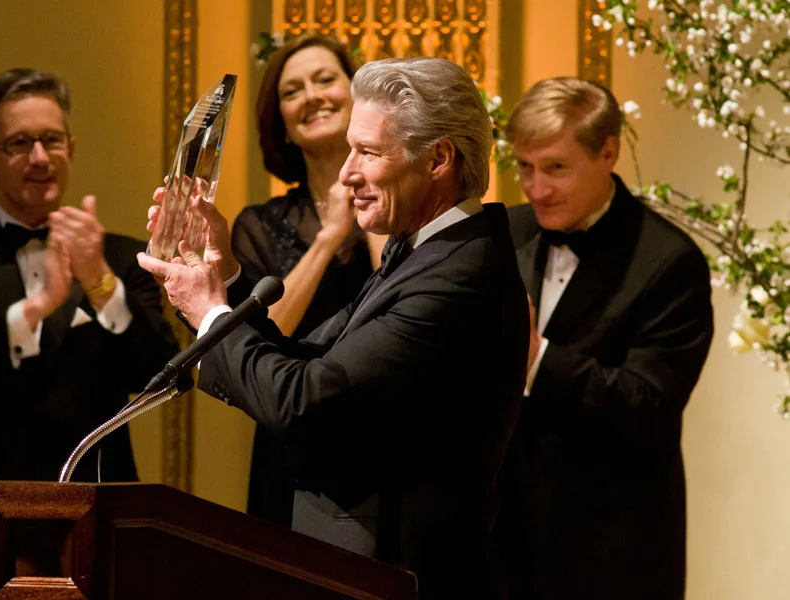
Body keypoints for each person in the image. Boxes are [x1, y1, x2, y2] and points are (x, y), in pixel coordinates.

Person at [138, 57, 529, 599]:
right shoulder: (423, 253)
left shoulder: (461, 272)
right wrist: (219, 279)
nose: (347, 173)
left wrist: (209, 311)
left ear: (438, 158)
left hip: (405, 579)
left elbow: (303, 401)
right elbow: (304, 361)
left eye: (367, 152)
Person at [0, 68, 179, 483]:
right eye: (19, 143)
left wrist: (100, 284)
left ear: (71, 148)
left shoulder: (122, 258)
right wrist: (37, 308)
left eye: (52, 140)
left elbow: (160, 375)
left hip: (99, 502)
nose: (40, 158)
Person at [496, 76, 715, 600]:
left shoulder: (669, 262)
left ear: (608, 153)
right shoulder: (504, 233)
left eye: (556, 168)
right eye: (525, 167)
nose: (536, 188)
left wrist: (537, 359)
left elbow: (649, 406)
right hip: (502, 547)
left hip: (610, 554)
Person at [235, 33, 382, 526]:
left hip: (382, 428)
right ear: (281, 123)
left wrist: (368, 197)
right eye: (292, 91)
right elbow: (265, 333)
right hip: (290, 436)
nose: (312, 96)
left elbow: (397, 293)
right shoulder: (259, 223)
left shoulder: (401, 206)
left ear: (358, 97)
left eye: (325, 80)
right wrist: (329, 238)